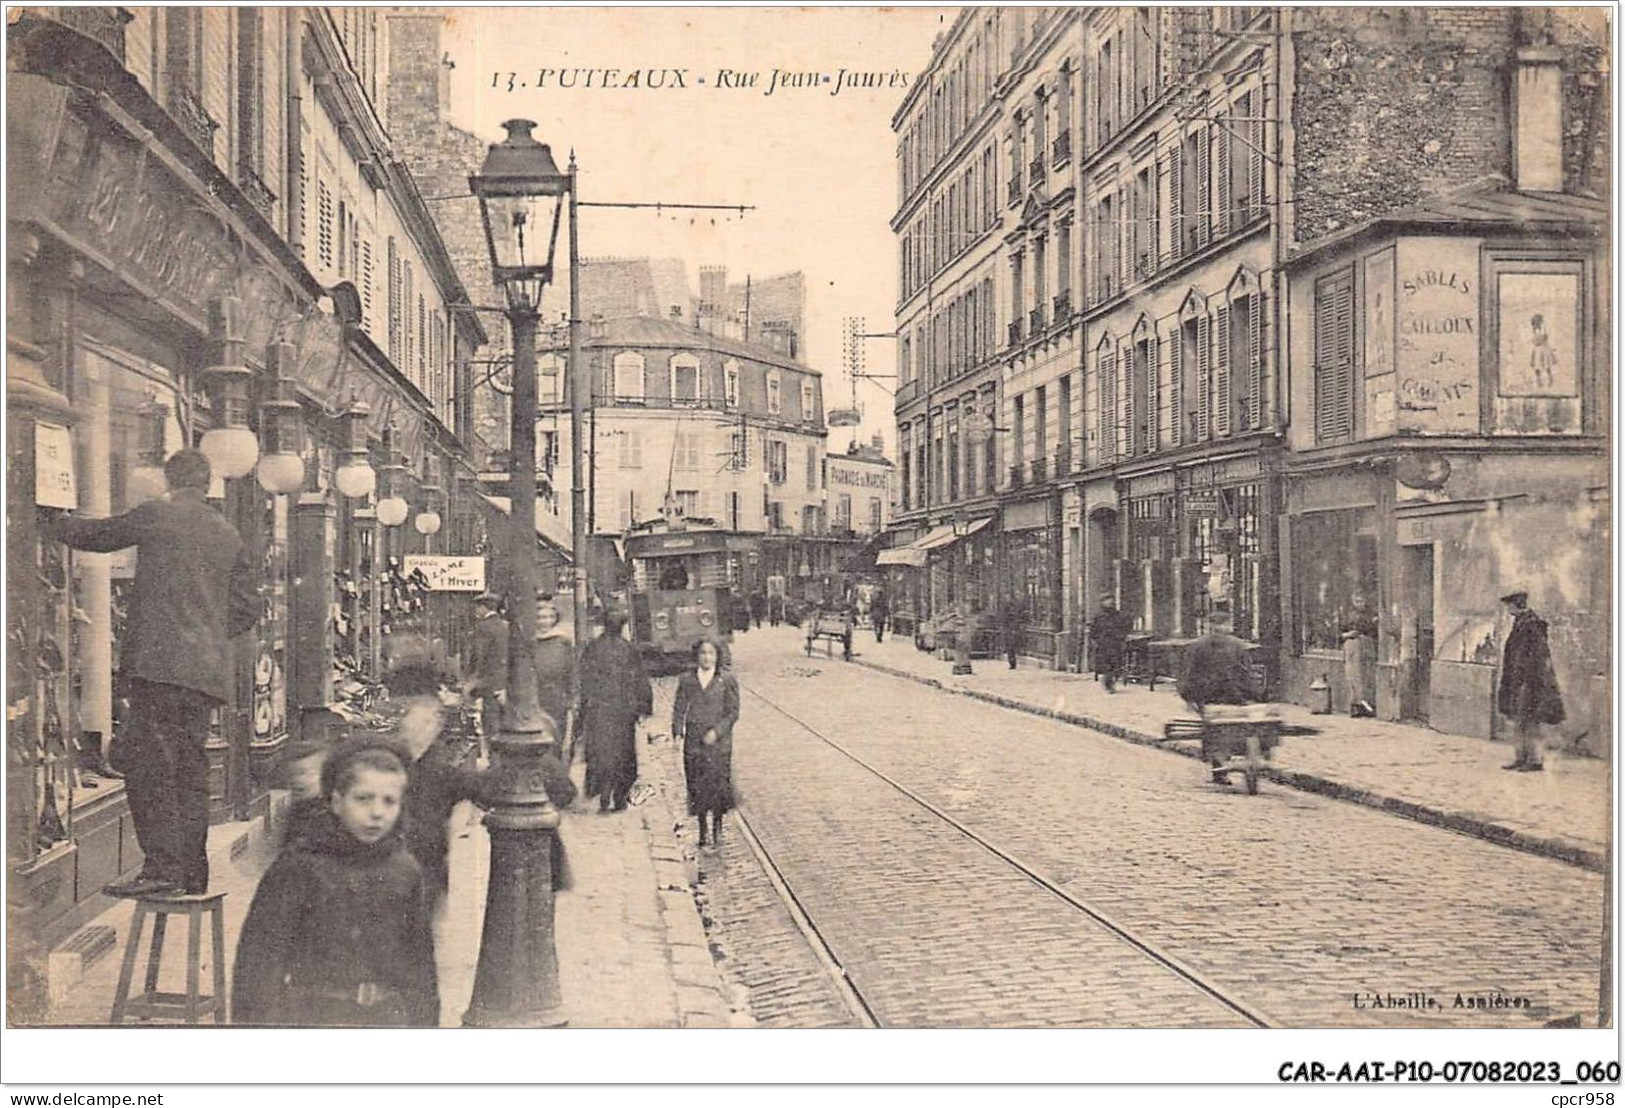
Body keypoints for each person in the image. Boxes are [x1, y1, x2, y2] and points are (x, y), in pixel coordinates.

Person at [45, 449, 258, 898]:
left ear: (170, 480)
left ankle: (162, 870)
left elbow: (98, 536)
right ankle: (191, 874)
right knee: (189, 772)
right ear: (205, 484)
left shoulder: (159, 513)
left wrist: (48, 516)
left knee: (148, 767)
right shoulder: (227, 533)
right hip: (203, 676)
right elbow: (245, 608)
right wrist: (206, 631)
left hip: (158, 668)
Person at [231, 741, 439, 1027]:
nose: (377, 812)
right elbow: (259, 966)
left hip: (387, 1021)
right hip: (314, 1017)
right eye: (363, 798)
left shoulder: (404, 870)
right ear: (337, 801)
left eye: (389, 801)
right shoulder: (300, 867)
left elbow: (420, 966)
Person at [578, 609, 653, 812]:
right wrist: (642, 707)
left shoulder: (593, 648)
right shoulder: (628, 649)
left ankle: (604, 794)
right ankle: (619, 797)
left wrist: (584, 708)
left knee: (601, 754)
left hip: (600, 711)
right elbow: (640, 679)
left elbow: (585, 680)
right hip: (622, 712)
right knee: (623, 755)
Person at [1178, 608, 1262, 783]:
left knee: (1224, 728)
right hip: (1214, 695)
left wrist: (1253, 695)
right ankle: (1219, 767)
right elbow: (1190, 672)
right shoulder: (1200, 646)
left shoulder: (1234, 646)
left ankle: (1222, 766)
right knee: (1218, 729)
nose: (1221, 628)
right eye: (1218, 624)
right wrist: (1189, 697)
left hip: (1228, 694)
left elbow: (1245, 671)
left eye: (1223, 624)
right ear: (1212, 626)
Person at [672, 640, 740, 853]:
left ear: (718, 656)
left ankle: (717, 826)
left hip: (719, 744)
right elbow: (679, 707)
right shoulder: (687, 680)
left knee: (718, 785)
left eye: (711, 653)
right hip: (694, 742)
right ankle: (702, 829)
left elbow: (733, 713)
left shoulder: (726, 680)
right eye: (703, 653)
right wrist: (677, 731)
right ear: (697, 656)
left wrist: (717, 732)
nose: (707, 658)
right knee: (697, 785)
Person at [1498, 590, 1564, 772]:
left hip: (1530, 681)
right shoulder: (1520, 623)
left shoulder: (1533, 625)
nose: (1507, 609)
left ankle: (1535, 760)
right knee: (1519, 720)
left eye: (1509, 605)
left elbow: (1540, 656)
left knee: (1530, 720)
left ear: (1518, 604)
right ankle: (1520, 757)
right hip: (1518, 680)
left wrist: (1531, 681)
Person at [464, 592, 508, 753]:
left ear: (483, 608)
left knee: (490, 723)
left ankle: (493, 761)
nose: (475, 611)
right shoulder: (506, 626)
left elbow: (478, 656)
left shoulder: (482, 628)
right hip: (505, 682)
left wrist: (470, 680)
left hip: (488, 682)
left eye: (477, 608)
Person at [1340, 592, 1379, 718]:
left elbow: (1375, 630)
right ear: (1352, 601)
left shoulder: (1372, 614)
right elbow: (1338, 633)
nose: (1359, 603)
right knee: (1354, 676)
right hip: (1352, 646)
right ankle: (1355, 707)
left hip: (1367, 645)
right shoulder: (1346, 614)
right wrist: (1347, 635)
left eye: (1361, 601)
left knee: (1367, 676)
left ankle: (1367, 707)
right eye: (1357, 601)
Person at [1089, 595, 1131, 692]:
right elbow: (1093, 630)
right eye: (1106, 600)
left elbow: (1124, 627)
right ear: (1102, 603)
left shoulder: (1119, 615)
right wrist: (1096, 641)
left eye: (1111, 600)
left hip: (1116, 643)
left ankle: (1111, 681)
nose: (1109, 602)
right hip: (1103, 644)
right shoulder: (1099, 616)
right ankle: (1108, 685)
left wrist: (1122, 637)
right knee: (1106, 665)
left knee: (1116, 664)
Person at [1001, 596, 1026, 670]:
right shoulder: (1013, 618)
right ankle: (1012, 662)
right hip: (1012, 633)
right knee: (1011, 649)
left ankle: (1012, 663)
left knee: (1010, 649)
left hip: (1011, 634)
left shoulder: (1010, 619)